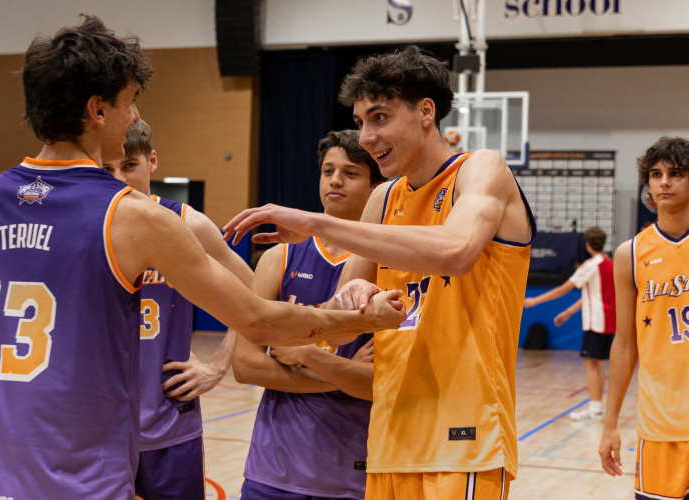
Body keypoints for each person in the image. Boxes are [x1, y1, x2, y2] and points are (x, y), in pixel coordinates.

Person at [0, 16, 404, 500]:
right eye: (130, 102)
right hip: (79, 483)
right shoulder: (131, 215)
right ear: (98, 110)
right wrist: (358, 320)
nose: (135, 116)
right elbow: (261, 320)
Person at [224, 45, 535, 500]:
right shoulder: (383, 199)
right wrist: (330, 316)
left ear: (425, 112)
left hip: (464, 439)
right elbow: (342, 308)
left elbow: (455, 250)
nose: (367, 136)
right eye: (360, 121)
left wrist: (317, 222)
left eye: (380, 118)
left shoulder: (480, 169)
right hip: (387, 440)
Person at [102, 119, 253, 499]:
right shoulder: (86, 225)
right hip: (98, 432)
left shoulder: (187, 224)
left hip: (170, 427)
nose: (119, 179)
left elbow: (256, 291)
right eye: (107, 169)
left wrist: (218, 366)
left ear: (152, 161)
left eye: (129, 166)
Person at [233, 130, 386, 500]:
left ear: (377, 186)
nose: (335, 180)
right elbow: (245, 366)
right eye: (327, 170)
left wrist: (301, 353)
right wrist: (339, 375)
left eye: (351, 173)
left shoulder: (389, 265)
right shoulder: (279, 258)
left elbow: (379, 385)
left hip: (356, 470)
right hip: (274, 467)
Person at [598, 137, 689, 500]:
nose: (664, 181)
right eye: (656, 174)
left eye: (676, 173)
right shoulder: (630, 254)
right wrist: (610, 425)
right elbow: (624, 345)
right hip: (660, 427)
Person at [523, 226, 616, 421]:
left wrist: (535, 300)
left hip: (595, 321)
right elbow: (590, 295)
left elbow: (564, 289)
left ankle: (594, 408)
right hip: (608, 321)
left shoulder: (590, 266)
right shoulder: (610, 264)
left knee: (591, 364)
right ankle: (597, 407)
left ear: (587, 244)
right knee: (597, 363)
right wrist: (568, 312)